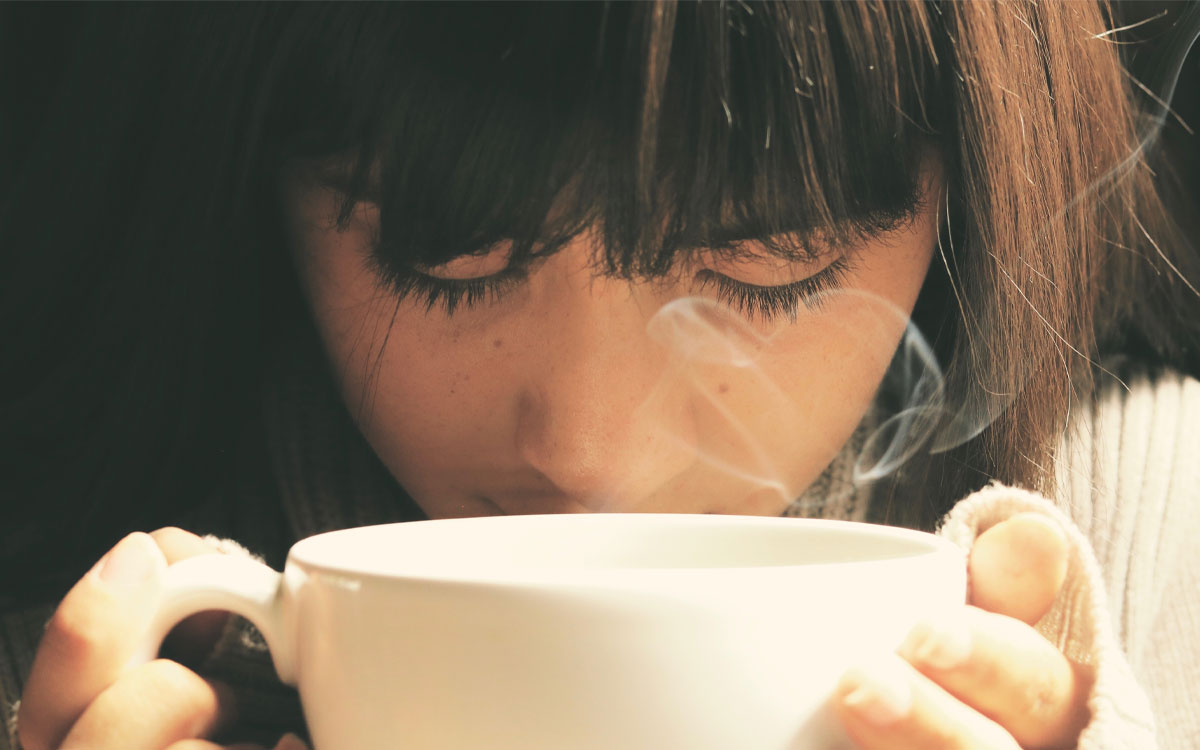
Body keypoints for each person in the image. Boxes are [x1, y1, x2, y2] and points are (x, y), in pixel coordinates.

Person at [2, 2, 1198, 748]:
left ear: (967, 189)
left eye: (771, 266)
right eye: (447, 257)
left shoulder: (1160, 542)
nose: (589, 455)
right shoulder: (79, 631)